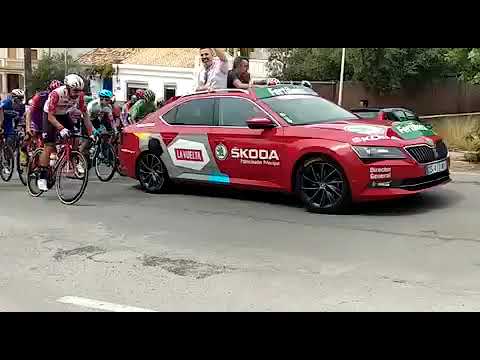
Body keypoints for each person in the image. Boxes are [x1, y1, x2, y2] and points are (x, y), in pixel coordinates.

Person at [37, 74, 94, 191]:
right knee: (49, 145)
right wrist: (61, 128)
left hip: (63, 114)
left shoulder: (80, 96)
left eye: (80, 91)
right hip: (49, 115)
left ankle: (72, 157)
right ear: (67, 88)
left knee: (75, 136)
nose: (77, 93)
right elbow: (51, 117)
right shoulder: (56, 94)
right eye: (75, 90)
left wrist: (91, 132)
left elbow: (85, 115)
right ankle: (41, 177)